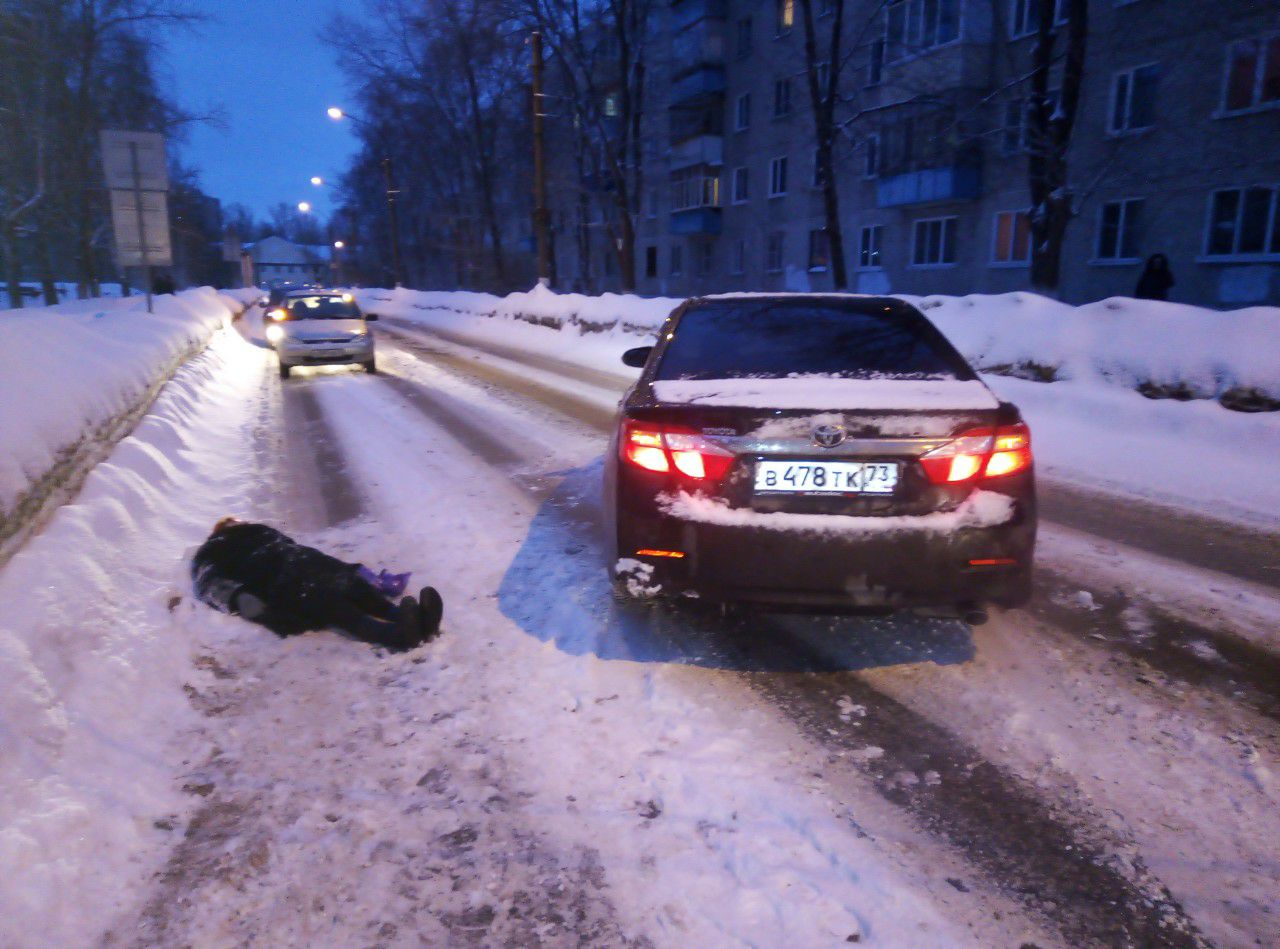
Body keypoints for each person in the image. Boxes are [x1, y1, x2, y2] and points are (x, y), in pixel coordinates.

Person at [191, 517, 442, 651]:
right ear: (219, 530)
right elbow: (207, 583)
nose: (237, 524)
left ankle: (410, 618)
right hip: (288, 584)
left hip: (313, 566)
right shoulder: (211, 551)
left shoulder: (257, 530)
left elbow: (291, 547)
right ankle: (400, 635)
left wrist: (354, 570)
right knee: (344, 613)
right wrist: (240, 599)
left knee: (357, 590)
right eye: (232, 523)